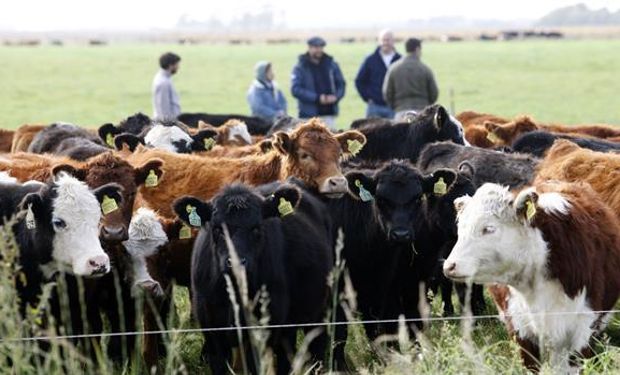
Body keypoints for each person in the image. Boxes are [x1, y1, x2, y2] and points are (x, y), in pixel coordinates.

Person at [291, 36, 345, 130]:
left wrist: (336, 97)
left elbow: (341, 84)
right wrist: (317, 98)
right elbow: (295, 89)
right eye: (316, 47)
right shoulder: (300, 66)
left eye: (321, 47)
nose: (318, 50)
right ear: (309, 48)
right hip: (308, 116)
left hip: (328, 115)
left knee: (330, 143)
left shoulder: (332, 64)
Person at [382, 38, 438, 121]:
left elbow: (387, 93)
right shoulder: (425, 69)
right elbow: (434, 93)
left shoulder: (393, 68)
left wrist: (396, 107)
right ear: (417, 49)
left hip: (401, 113)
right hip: (422, 113)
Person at [355, 29, 401, 119]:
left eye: (388, 40)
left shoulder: (400, 60)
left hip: (394, 107)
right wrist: (367, 98)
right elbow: (359, 81)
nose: (385, 43)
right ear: (379, 41)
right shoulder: (370, 59)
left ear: (393, 41)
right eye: (383, 40)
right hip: (374, 107)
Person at [152, 52, 181, 119]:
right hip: (167, 124)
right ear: (170, 65)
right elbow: (163, 109)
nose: (178, 67)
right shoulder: (163, 82)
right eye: (177, 64)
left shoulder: (165, 78)